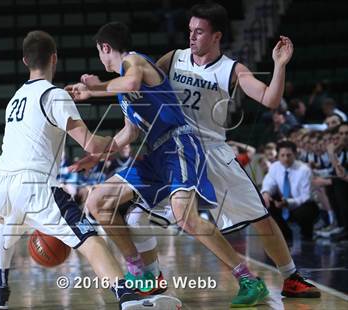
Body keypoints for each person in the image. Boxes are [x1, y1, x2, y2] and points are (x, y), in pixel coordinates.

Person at [69, 21, 269, 307]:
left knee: (185, 216)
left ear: (105, 48)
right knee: (97, 202)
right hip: (156, 156)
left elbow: (132, 82)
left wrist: (95, 89)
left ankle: (248, 279)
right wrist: (95, 150)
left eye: (99, 53)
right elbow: (128, 134)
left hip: (178, 145)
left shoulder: (133, 61)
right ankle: (143, 272)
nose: (101, 60)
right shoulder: (125, 94)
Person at [130, 2, 319, 298]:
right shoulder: (173, 58)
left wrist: (279, 65)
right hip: (175, 153)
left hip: (212, 153)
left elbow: (269, 99)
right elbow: (140, 84)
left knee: (260, 217)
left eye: (200, 32)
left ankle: (290, 277)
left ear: (217, 36)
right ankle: (152, 277)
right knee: (136, 216)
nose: (192, 37)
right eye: (190, 30)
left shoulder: (232, 69)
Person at [0, 30, 180, 310]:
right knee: (90, 241)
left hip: (1, 183)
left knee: (5, 224)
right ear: (54, 59)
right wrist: (109, 145)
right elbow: (90, 142)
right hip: (34, 186)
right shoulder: (55, 95)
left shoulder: (15, 98)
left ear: (25, 61)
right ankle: (129, 299)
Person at [261, 141, 319, 241]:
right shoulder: (275, 167)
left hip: (303, 204)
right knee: (267, 201)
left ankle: (307, 233)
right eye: (282, 155)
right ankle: (285, 233)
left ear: (295, 154)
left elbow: (306, 196)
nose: (286, 158)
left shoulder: (304, 170)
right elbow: (269, 183)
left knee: (305, 211)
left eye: (289, 155)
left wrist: (288, 202)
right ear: (278, 156)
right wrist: (266, 193)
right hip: (282, 201)